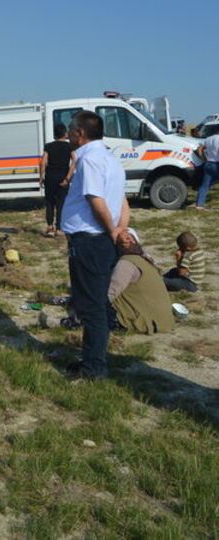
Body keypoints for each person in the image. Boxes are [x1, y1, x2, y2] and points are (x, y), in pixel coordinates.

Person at [60, 110, 130, 380]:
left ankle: (94, 368)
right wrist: (119, 229)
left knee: (91, 307)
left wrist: (113, 230)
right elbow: (122, 202)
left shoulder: (89, 161)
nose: (68, 134)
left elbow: (95, 200)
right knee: (97, 303)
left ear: (79, 133)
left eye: (70, 129)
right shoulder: (110, 159)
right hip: (101, 239)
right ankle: (93, 359)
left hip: (90, 240)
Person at [42, 229, 173, 335]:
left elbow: (110, 294)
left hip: (139, 320)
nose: (128, 239)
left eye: (129, 238)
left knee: (97, 309)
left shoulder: (127, 263)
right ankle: (67, 303)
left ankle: (63, 322)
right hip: (161, 319)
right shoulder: (144, 260)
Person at [39, 124, 76, 237]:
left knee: (49, 203)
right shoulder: (69, 146)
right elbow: (75, 161)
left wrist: (41, 177)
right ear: (65, 134)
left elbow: (43, 162)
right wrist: (68, 178)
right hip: (62, 178)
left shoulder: (48, 146)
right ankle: (59, 228)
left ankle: (50, 228)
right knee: (61, 203)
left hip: (50, 177)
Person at [194, 129, 219, 209]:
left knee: (205, 185)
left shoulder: (208, 139)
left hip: (208, 164)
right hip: (217, 163)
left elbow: (199, 149)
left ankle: (199, 205)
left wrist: (204, 158)